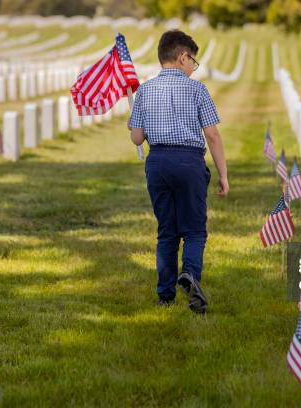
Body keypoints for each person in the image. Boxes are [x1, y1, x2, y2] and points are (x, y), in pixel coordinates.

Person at [128, 30, 229, 314]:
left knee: (167, 232)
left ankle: (165, 295)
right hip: (188, 161)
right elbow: (213, 136)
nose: (192, 68)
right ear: (183, 57)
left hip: (158, 162)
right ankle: (191, 275)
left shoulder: (144, 91)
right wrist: (223, 174)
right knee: (195, 230)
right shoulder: (197, 90)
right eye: (193, 62)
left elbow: (137, 138)